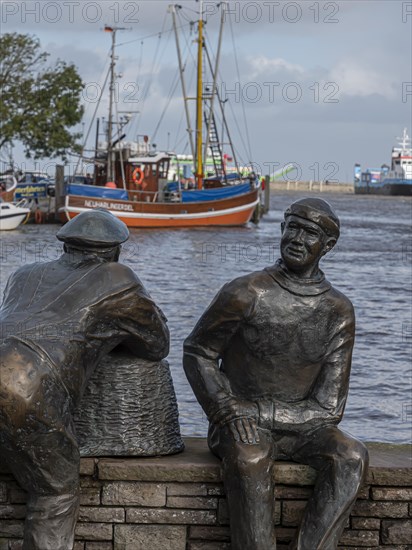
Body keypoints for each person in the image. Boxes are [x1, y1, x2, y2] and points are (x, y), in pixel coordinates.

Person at [183, 198, 368, 550]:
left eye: (310, 233)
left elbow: (329, 408)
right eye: (293, 228)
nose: (298, 238)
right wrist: (225, 408)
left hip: (304, 427)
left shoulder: (338, 310)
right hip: (239, 424)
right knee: (252, 457)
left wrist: (259, 411)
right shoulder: (246, 291)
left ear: (327, 246)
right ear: (281, 230)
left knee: (351, 456)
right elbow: (198, 351)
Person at [0, 209, 169, 550]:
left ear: (66, 246)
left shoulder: (24, 273)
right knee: (55, 492)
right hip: (24, 386)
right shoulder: (117, 277)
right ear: (115, 250)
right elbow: (157, 343)